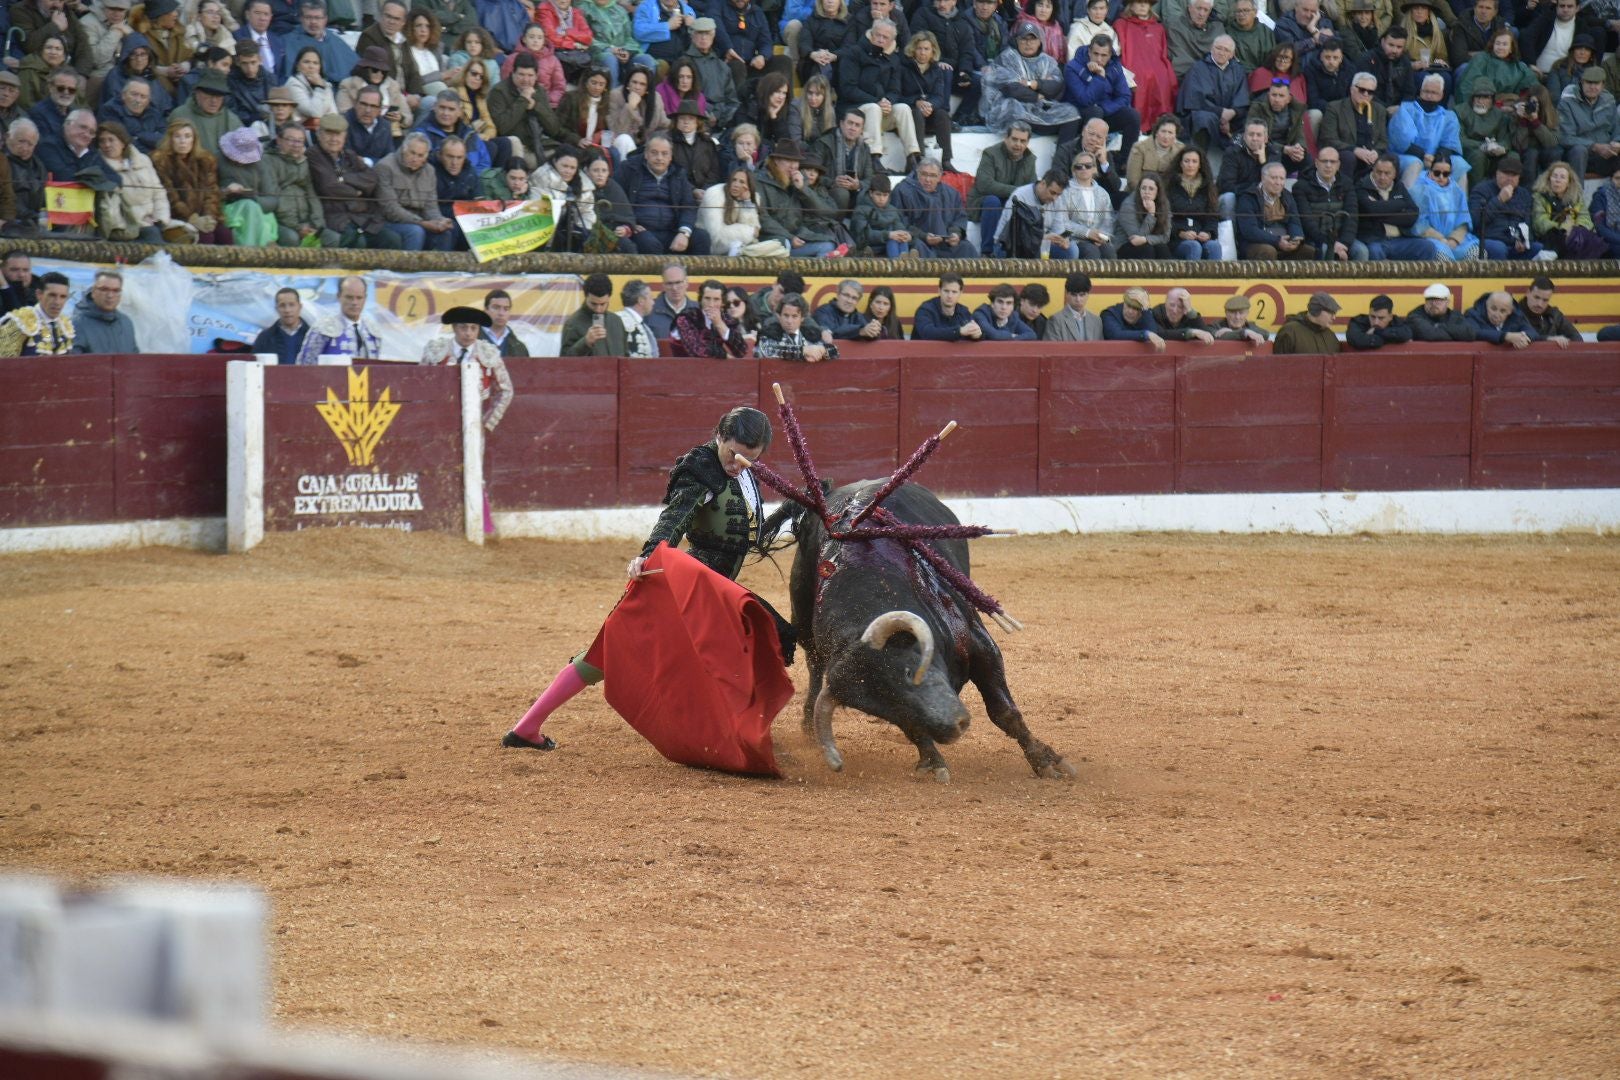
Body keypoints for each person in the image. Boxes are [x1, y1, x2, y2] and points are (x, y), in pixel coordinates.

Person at [503, 406, 792, 753]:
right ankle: (526, 728)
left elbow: (749, 528)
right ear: (719, 436)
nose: (737, 465)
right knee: (606, 653)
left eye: (749, 459)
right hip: (688, 587)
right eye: (733, 454)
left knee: (768, 636)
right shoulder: (701, 470)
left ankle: (739, 733)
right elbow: (676, 517)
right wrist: (650, 552)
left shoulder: (744, 473)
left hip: (716, 589)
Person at [839, 19, 922, 170]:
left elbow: (895, 90)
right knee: (873, 108)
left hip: (879, 111)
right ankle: (873, 158)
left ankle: (912, 157)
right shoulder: (854, 53)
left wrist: (888, 101)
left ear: (892, 41)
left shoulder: (893, 60)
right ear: (871, 34)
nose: (880, 40)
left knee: (903, 108)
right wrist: (876, 102)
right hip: (855, 110)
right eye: (878, 35)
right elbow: (848, 88)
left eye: (885, 37)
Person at [982, 22, 1081, 146]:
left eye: (1033, 39)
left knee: (1071, 113)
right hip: (1015, 111)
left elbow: (1056, 86)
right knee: (1012, 107)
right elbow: (1010, 88)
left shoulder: (1047, 61)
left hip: (1040, 110)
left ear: (1039, 42)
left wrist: (1033, 84)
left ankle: (1061, 160)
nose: (1028, 43)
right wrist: (1036, 96)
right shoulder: (1007, 57)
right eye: (1024, 39)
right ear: (1017, 41)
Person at [619, 133, 711, 256]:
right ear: (646, 154)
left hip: (671, 229)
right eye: (654, 152)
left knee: (702, 237)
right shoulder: (629, 169)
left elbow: (688, 206)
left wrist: (684, 233)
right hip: (640, 229)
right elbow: (617, 200)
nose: (659, 158)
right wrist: (630, 223)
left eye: (664, 153)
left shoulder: (679, 174)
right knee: (649, 244)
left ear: (670, 157)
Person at [1065, 35, 1142, 165]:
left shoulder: (1115, 67)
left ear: (1110, 55)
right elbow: (1084, 100)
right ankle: (1083, 161)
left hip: (1103, 111)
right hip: (1080, 114)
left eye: (1104, 55)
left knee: (1133, 116)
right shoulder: (1073, 67)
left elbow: (1125, 96)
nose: (1099, 59)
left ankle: (1123, 163)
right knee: (1095, 112)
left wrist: (1106, 109)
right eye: (1095, 54)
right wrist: (1100, 78)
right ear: (1089, 52)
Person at [374, 132, 456, 250]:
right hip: (388, 222)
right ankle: (409, 268)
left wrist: (439, 221)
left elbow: (431, 207)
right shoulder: (385, 167)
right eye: (412, 153)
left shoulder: (429, 171)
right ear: (403, 149)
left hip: (419, 221)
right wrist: (422, 223)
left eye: (420, 155)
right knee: (415, 231)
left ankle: (439, 268)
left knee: (446, 232)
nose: (415, 159)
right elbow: (390, 209)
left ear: (426, 156)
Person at [1389, 74, 1468, 188]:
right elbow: (1401, 141)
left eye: (1434, 93)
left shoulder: (1448, 116)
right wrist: (1424, 157)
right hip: (1407, 156)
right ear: (1420, 92)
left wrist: (1437, 159)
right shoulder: (1406, 109)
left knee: (1460, 164)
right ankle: (1408, 203)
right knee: (1416, 163)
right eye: (1426, 91)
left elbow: (1450, 143)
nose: (1429, 96)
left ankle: (1459, 204)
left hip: (1436, 157)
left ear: (1441, 95)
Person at [969, 123, 1036, 253]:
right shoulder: (990, 153)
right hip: (983, 201)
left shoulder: (1030, 159)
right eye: (1014, 139)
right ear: (1006, 138)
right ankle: (987, 253)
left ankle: (1017, 253)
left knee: (1026, 206)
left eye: (1023, 141)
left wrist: (1020, 193)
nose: (1018, 144)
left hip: (1011, 201)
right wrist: (1017, 191)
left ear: (1027, 142)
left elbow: (1031, 189)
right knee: (993, 201)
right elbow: (985, 185)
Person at [892, 158, 979, 258]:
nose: (928, 180)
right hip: (919, 240)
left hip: (946, 243)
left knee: (967, 248)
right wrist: (923, 236)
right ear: (917, 173)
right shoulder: (903, 190)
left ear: (939, 177)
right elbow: (900, 222)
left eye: (933, 176)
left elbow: (959, 218)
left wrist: (955, 234)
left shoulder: (951, 193)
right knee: (916, 248)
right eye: (924, 174)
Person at [1355, 152, 1434, 259]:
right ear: (1373, 170)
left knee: (1427, 247)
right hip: (1375, 240)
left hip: (1400, 239)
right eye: (1378, 172)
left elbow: (1413, 215)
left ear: (1395, 174)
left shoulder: (1398, 186)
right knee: (1375, 251)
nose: (1382, 177)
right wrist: (1400, 204)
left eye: (1387, 173)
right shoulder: (1362, 186)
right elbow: (1372, 209)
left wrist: (1379, 211)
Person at [1295, 146, 1366, 260]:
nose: (1328, 165)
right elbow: (1307, 222)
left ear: (1338, 165)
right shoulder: (1301, 186)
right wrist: (1330, 244)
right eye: (1324, 161)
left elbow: (1352, 217)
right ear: (1316, 163)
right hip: (1316, 239)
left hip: (1341, 239)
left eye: (1332, 162)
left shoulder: (1347, 184)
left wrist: (1344, 243)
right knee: (1324, 252)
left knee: (1361, 251)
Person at [1469, 154, 1542, 261]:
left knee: (1538, 248)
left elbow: (1527, 222)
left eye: (1514, 175)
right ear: (1497, 173)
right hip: (1489, 239)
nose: (1509, 178)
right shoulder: (1481, 190)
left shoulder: (1524, 194)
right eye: (1506, 174)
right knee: (1499, 248)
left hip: (1515, 242)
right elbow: (1475, 221)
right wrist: (1499, 200)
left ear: (1519, 178)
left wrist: (1523, 240)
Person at [297, 275, 383, 363]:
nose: (354, 302)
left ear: (365, 298)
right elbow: (306, 366)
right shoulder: (323, 328)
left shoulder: (372, 331)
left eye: (359, 298)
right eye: (349, 297)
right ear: (339, 296)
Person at [1319, 71, 1388, 180]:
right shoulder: (1335, 108)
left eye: (1370, 92)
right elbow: (1328, 139)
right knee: (1349, 157)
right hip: (1347, 152)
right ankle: (1344, 191)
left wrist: (1376, 152)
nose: (1365, 94)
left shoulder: (1379, 110)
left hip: (1370, 154)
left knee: (1392, 160)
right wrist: (1355, 150)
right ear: (1352, 89)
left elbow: (1383, 141)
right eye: (1362, 90)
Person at [1236, 161, 1312, 259]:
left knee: (1309, 251)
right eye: (1274, 178)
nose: (1278, 183)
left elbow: (1295, 222)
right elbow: (1250, 231)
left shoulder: (1287, 196)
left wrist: (1296, 238)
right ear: (1263, 178)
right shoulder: (1248, 197)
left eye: (1281, 178)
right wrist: (1277, 241)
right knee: (1268, 251)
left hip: (1284, 241)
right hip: (1256, 243)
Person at [1559, 67, 1620, 182]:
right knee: (1579, 150)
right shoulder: (1567, 102)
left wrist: (1616, 144)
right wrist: (1594, 146)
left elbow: (1617, 129)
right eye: (1588, 83)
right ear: (1581, 82)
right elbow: (1565, 137)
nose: (1592, 87)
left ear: (1603, 85)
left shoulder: (1609, 100)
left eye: (1596, 83)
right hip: (1580, 155)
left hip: (1606, 154)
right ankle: (1577, 197)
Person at [1531, 161, 1597, 258]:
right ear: (1549, 179)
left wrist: (1575, 229)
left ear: (1569, 182)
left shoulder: (1576, 199)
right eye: (1555, 176)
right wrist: (1563, 228)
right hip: (1550, 236)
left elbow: (1586, 219)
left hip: (1575, 236)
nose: (1558, 180)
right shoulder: (1540, 197)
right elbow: (1540, 222)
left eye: (1562, 177)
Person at [0, 272, 75, 356]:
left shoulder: (64, 325)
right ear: (39, 294)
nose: (57, 302)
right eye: (52, 295)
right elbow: (4, 363)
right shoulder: (20, 321)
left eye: (63, 297)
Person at [1167, 145, 1222, 260]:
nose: (1190, 165)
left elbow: (1212, 216)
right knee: (1193, 247)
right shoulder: (1169, 186)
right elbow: (1163, 218)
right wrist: (1181, 233)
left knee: (1214, 246)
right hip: (1175, 239)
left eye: (1194, 161)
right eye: (1186, 161)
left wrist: (1208, 233)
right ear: (1181, 164)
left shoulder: (1208, 187)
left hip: (1200, 236)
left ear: (1200, 164)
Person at [670, 278, 749, 357]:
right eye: (707, 298)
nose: (711, 304)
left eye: (716, 299)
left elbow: (742, 351)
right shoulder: (686, 318)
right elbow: (696, 350)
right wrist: (725, 355)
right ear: (700, 300)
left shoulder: (727, 319)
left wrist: (719, 324)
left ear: (722, 303)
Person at [71, 270, 139, 355]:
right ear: (93, 292)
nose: (110, 295)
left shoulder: (126, 323)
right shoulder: (77, 324)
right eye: (104, 289)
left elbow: (135, 360)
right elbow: (72, 364)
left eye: (116, 290)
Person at [563, 273, 629, 356]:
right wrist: (585, 343)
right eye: (593, 304)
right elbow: (564, 361)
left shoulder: (616, 321)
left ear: (609, 297)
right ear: (586, 296)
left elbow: (626, 357)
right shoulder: (573, 323)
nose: (598, 309)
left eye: (603, 304)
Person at [757, 293, 839, 360]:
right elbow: (768, 350)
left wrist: (822, 350)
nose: (789, 321)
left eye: (794, 316)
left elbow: (834, 351)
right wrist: (803, 351)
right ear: (779, 316)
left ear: (802, 318)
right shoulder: (769, 333)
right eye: (786, 315)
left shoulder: (810, 334)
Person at [912, 273, 983, 341]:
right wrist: (959, 331)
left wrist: (977, 335)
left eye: (954, 292)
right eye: (946, 291)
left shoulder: (963, 312)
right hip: (925, 352)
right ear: (939, 291)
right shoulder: (925, 310)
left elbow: (980, 334)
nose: (950, 296)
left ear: (960, 293)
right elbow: (927, 333)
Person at [1117, 174, 1173, 259]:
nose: (1147, 192)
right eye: (1143, 188)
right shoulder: (1128, 205)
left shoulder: (1164, 204)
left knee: (1162, 248)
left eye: (1151, 189)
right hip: (1125, 245)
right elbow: (1136, 239)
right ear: (1139, 189)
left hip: (1147, 243)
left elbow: (1166, 237)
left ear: (1158, 192)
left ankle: (1168, 273)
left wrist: (1146, 239)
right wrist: (1151, 214)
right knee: (1147, 249)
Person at [1515, 277, 1581, 346]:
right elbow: (1515, 338)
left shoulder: (1555, 315)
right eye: (1536, 297)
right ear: (1528, 293)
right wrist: (1548, 339)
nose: (1539, 304)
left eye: (1545, 300)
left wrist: (1563, 344)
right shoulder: (1514, 314)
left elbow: (1577, 339)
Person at [252, 286, 310, 364]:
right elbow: (255, 368)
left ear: (299, 307)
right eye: (282, 305)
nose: (287, 310)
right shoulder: (265, 338)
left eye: (292, 305)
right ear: (276, 308)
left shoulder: (312, 337)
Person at [1465, 289, 1540, 349]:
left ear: (1510, 311)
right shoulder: (1473, 314)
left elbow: (1532, 331)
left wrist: (1524, 338)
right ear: (1486, 305)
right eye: (1493, 309)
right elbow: (1475, 332)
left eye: (1503, 311)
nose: (1496, 314)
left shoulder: (1516, 316)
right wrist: (1506, 336)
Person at [1272, 291, 1342, 354]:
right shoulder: (1289, 332)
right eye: (1330, 313)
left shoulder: (1331, 336)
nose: (1334, 317)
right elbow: (1279, 364)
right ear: (1316, 310)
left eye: (1334, 313)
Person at [1101, 286, 1165, 351]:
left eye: (1136, 308)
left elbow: (1153, 334)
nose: (1130, 311)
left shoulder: (1146, 314)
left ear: (1142, 310)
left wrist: (1146, 310)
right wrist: (1145, 334)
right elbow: (1116, 335)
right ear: (1124, 302)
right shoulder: (1110, 314)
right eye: (1128, 305)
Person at [1406, 281, 1476, 341]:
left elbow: (1470, 333)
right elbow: (1431, 335)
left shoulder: (1455, 316)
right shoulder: (1414, 316)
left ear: (1447, 302)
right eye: (1429, 300)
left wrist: (1439, 326)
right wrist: (1456, 335)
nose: (1433, 303)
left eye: (1438, 300)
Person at [1044, 272, 1103, 341]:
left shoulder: (1096, 321)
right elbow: (1052, 350)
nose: (1078, 299)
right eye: (1074, 295)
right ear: (1066, 294)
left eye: (1082, 295)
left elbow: (1100, 349)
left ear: (1088, 294)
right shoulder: (1055, 320)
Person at [968, 283, 1037, 341]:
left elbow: (1031, 335)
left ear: (1013, 306)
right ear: (992, 303)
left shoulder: (1013, 316)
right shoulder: (980, 314)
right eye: (1000, 302)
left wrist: (1010, 338)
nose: (1004, 307)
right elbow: (994, 335)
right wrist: (1011, 336)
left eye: (1009, 303)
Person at [646, 263, 692, 339]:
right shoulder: (649, 310)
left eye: (678, 282)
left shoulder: (698, 311)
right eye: (669, 283)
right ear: (663, 285)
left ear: (687, 283)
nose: (674, 288)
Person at [481, 289, 530, 358]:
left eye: (506, 309)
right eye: (496, 308)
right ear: (486, 310)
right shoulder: (471, 341)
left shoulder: (519, 348)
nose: (501, 313)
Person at [617, 279, 659, 358]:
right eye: (650, 298)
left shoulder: (637, 322)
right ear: (641, 301)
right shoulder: (622, 321)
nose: (653, 302)